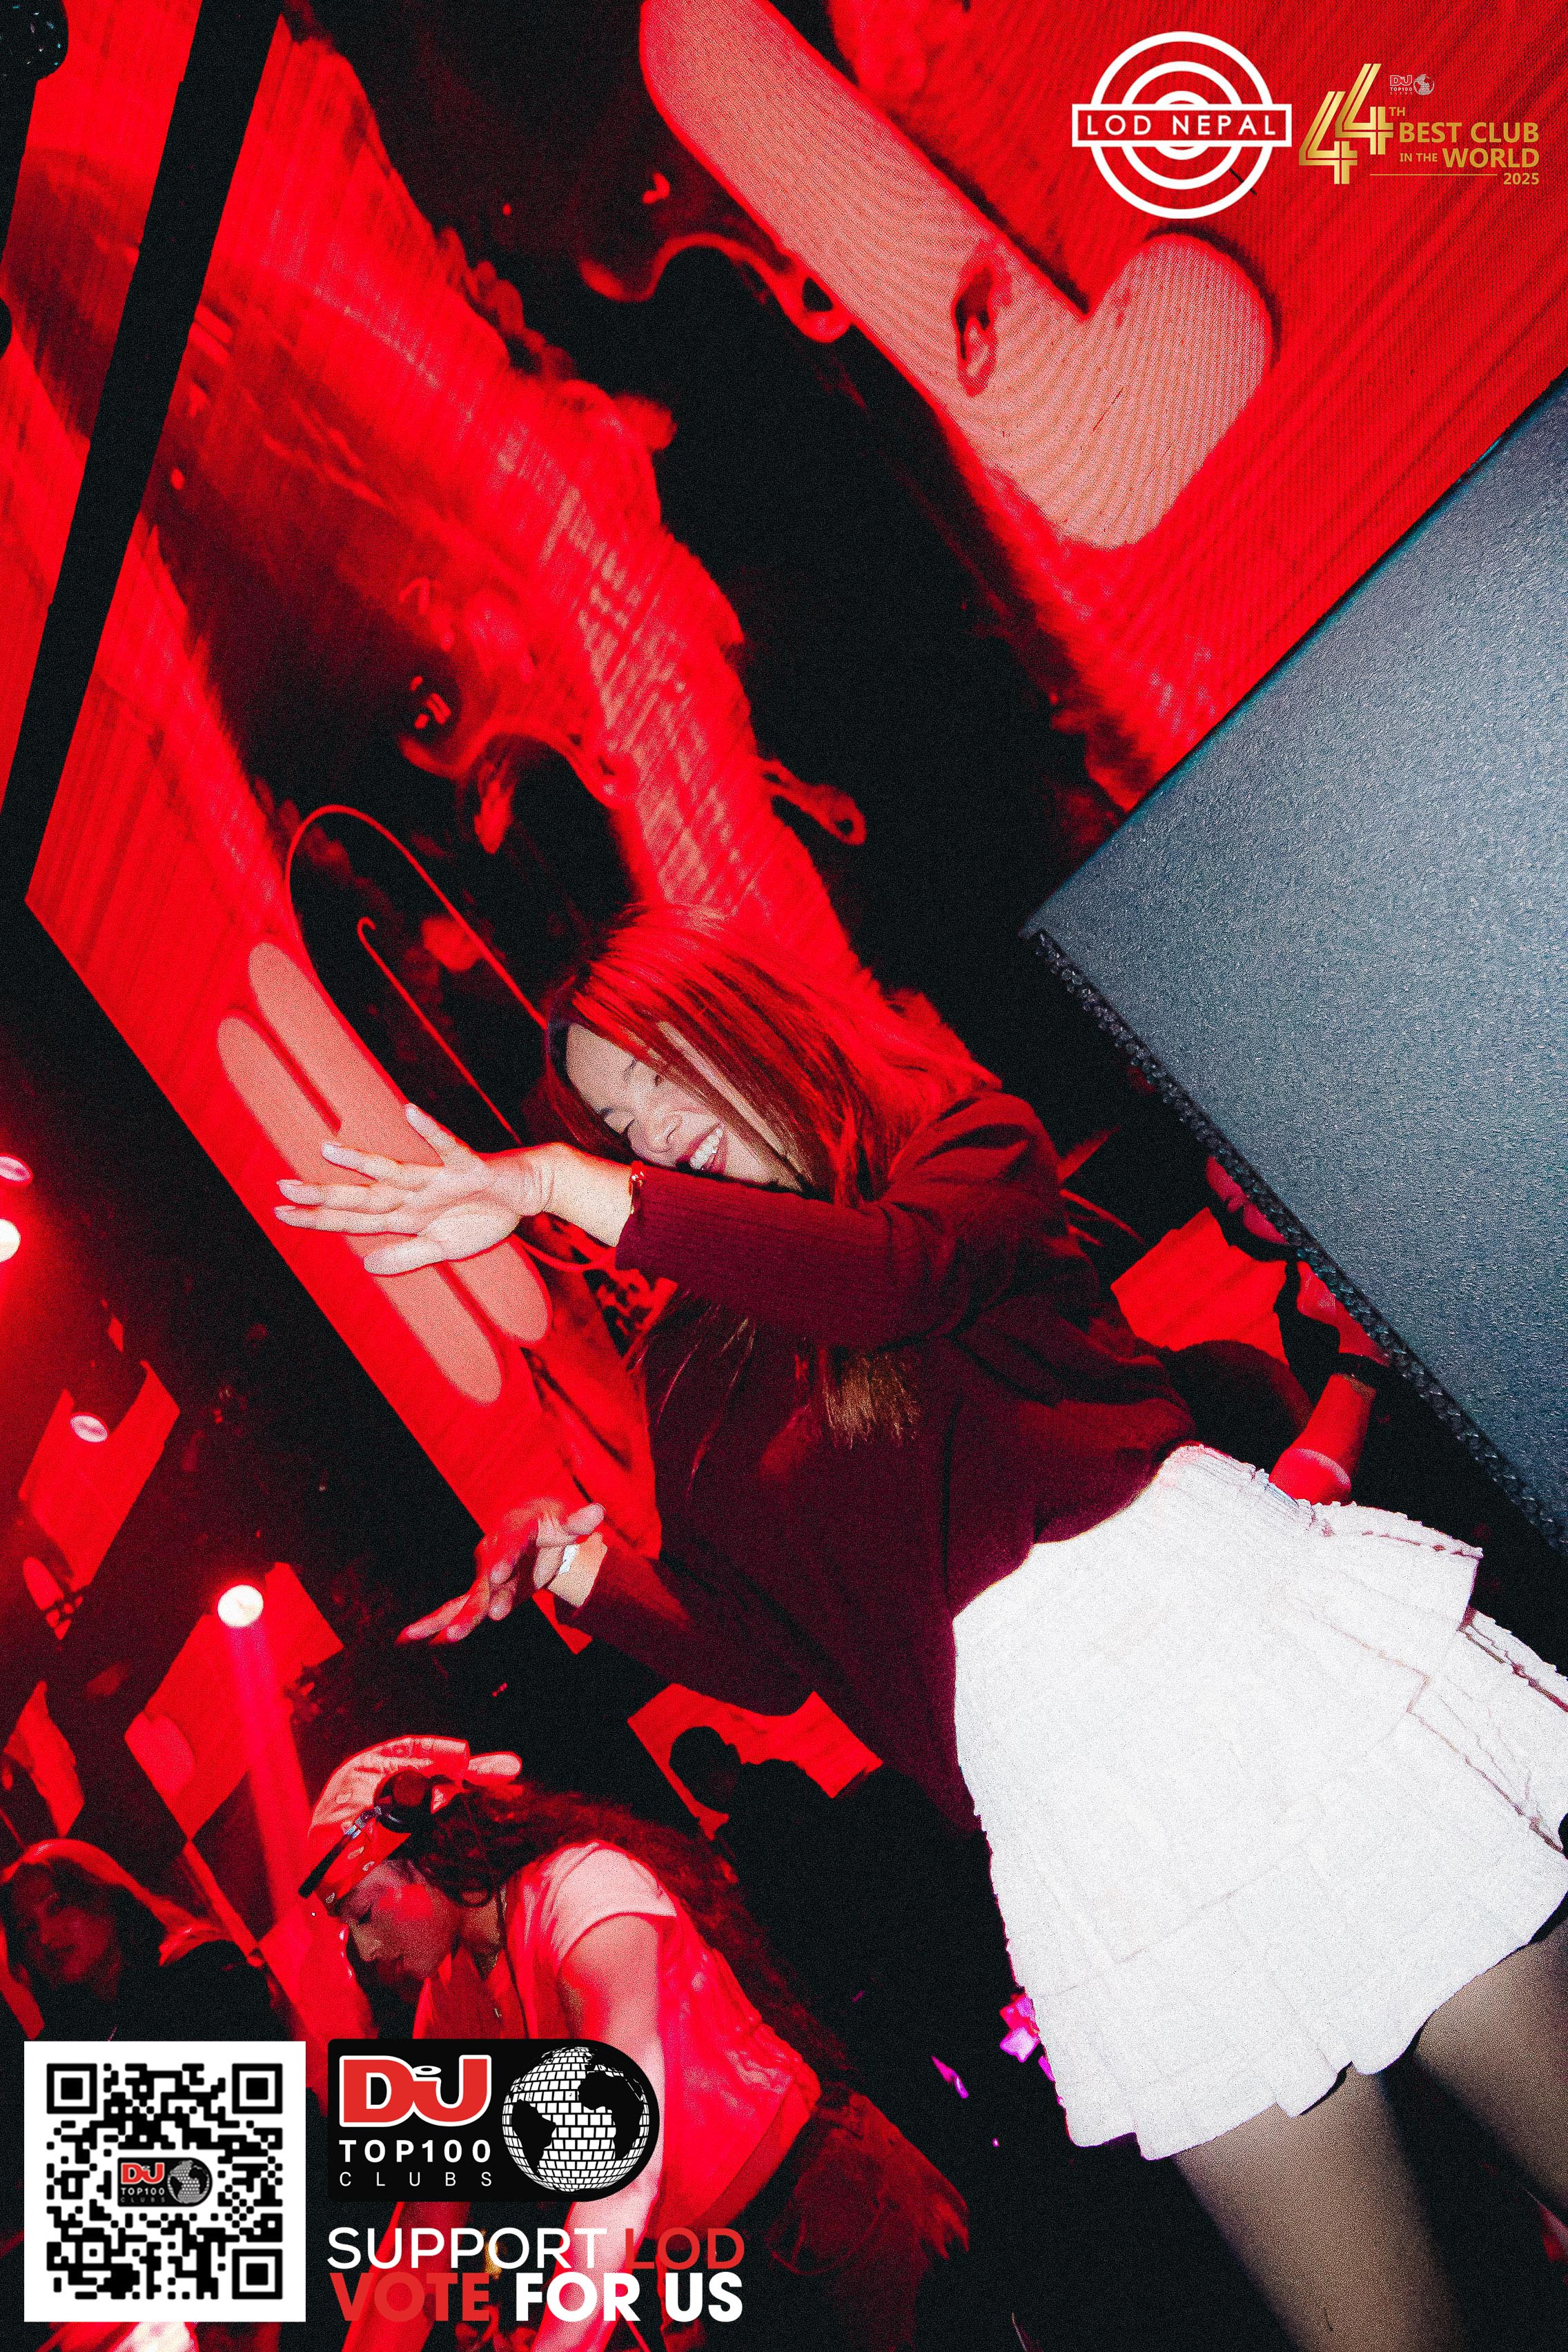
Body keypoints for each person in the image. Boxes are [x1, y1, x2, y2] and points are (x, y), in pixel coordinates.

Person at [276, 905, 1568, 2352]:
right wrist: (580, 1570)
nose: (652, 1133)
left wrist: (561, 1184)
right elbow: (767, 1657)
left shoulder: (951, 1145)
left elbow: (894, 1279)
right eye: (618, 1124)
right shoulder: (685, 1362)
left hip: (1237, 1667)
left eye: (658, 1077)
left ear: (740, 1025)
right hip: (1082, 1815)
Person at [302, 1735, 968, 2352]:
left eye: (365, 1912)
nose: (366, 1949)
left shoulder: (583, 1892)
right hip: (713, 2270)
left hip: (824, 2206)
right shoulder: (450, 1999)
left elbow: (626, 2163)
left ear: (428, 1853)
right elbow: (421, 2232)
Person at [0, 1839, 285, 2042]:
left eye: (58, 1906)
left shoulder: (200, 1973)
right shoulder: (70, 2034)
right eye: (28, 1930)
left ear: (104, 1895)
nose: (45, 1938)